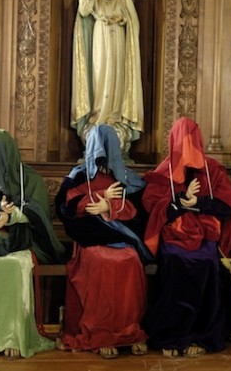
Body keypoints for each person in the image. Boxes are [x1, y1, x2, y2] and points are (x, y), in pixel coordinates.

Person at [0, 129, 67, 360]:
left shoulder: (30, 178)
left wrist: (13, 215)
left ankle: (15, 336)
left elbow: (40, 215)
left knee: (16, 264)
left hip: (26, 242)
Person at [141, 117, 231, 358]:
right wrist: (179, 201)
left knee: (207, 263)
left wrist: (199, 202)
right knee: (176, 263)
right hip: (174, 236)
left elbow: (227, 208)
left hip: (204, 234)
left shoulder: (213, 170)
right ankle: (172, 334)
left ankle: (201, 335)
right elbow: (152, 206)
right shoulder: (164, 171)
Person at [55, 125, 152, 359]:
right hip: (89, 239)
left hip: (121, 239)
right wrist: (96, 199)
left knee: (131, 260)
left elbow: (140, 212)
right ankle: (101, 332)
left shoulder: (127, 178)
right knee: (102, 262)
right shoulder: (78, 176)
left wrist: (109, 206)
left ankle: (127, 331)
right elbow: (66, 207)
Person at [71, 0, 143, 159]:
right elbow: (84, 10)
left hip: (118, 38)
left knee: (117, 76)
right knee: (101, 75)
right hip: (100, 38)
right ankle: (98, 115)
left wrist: (122, 19)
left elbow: (133, 20)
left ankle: (114, 116)